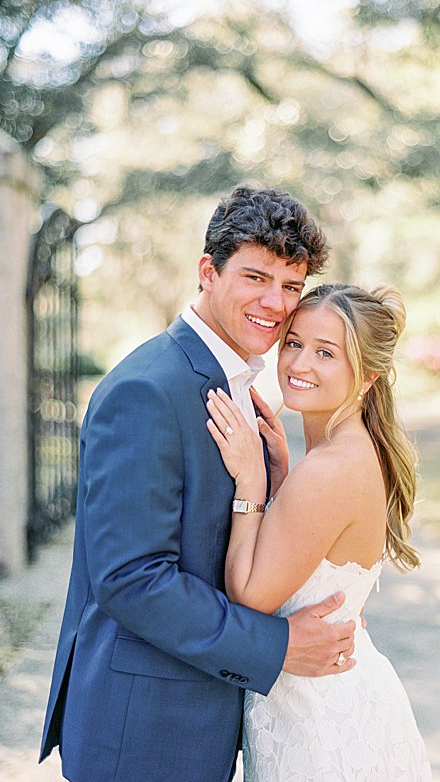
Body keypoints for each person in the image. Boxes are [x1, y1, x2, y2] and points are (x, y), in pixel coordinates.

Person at [40, 186, 358, 781]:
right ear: (207, 272)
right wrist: (276, 646)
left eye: (291, 286)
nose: (275, 302)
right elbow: (131, 579)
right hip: (142, 731)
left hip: (199, 718)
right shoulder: (148, 390)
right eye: (255, 278)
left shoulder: (234, 379)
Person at [204, 282, 432, 779]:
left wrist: (253, 483)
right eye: (293, 342)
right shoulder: (347, 451)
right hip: (333, 702)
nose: (299, 364)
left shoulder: (327, 470)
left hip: (320, 726)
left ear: (367, 376)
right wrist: (285, 480)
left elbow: (249, 596)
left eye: (325, 352)